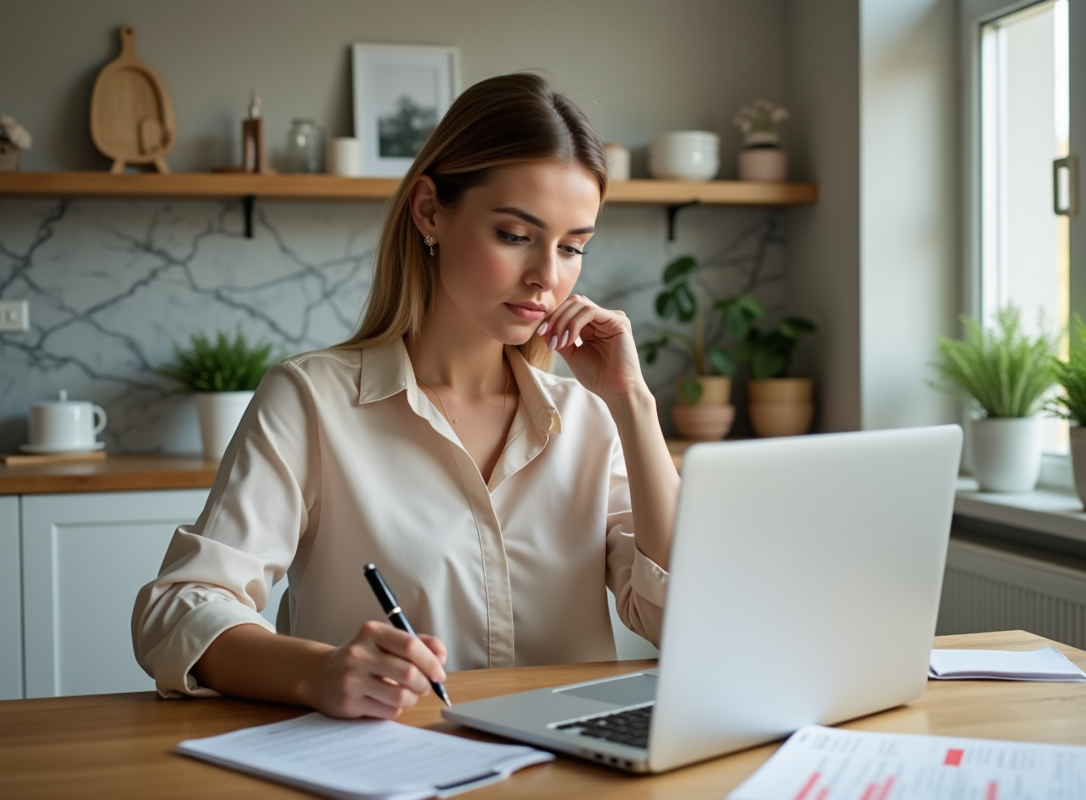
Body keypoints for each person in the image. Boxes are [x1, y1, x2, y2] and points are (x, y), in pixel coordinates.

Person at [132, 73, 680, 721]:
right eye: (514, 235)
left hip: (572, 773)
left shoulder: (593, 418)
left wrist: (635, 403)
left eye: (573, 247)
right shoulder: (311, 400)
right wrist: (319, 671)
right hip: (386, 770)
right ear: (429, 212)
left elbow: (679, 619)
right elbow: (179, 608)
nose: (546, 277)